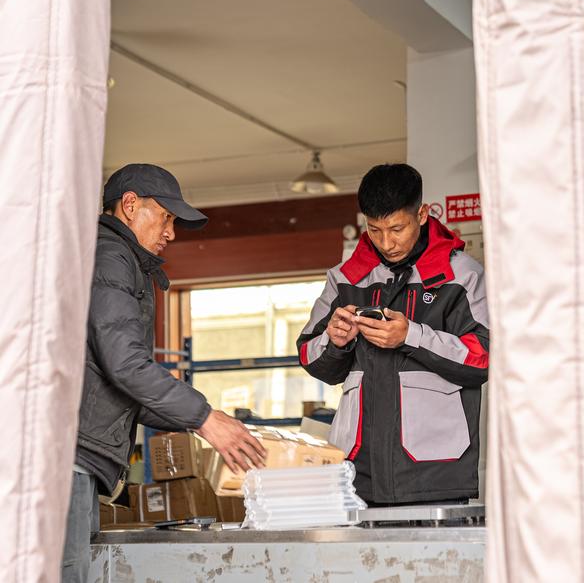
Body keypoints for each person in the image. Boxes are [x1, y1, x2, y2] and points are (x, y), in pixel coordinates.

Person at [62, 163, 267, 582]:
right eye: (167, 217)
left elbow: (118, 386)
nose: (171, 232)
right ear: (130, 205)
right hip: (67, 460)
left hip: (76, 458)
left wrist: (201, 419)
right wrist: (204, 419)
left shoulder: (119, 261)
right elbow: (125, 364)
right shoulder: (110, 257)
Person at [297, 163, 489, 505]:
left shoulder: (461, 275)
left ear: (423, 214)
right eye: (375, 230)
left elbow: (483, 359)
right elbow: (309, 355)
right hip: (357, 472)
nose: (387, 242)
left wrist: (411, 337)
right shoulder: (346, 279)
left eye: (397, 228)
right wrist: (335, 341)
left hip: (435, 473)